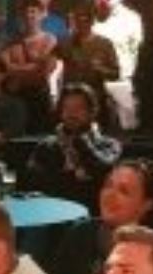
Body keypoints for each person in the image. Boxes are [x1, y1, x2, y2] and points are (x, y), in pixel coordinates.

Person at [24, 83, 122, 211]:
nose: (71, 113)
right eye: (66, 108)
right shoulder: (47, 146)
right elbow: (34, 182)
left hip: (93, 212)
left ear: (92, 112)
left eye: (78, 108)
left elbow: (103, 173)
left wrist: (81, 142)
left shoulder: (109, 144)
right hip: (54, 211)